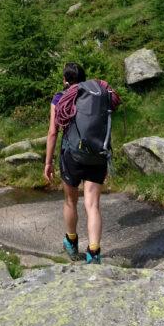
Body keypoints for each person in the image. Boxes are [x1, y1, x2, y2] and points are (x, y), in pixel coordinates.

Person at [43, 61, 121, 264]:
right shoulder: (97, 95)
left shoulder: (60, 97)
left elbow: (53, 132)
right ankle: (94, 252)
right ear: (84, 78)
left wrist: (48, 162)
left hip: (72, 156)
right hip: (98, 153)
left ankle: (71, 241)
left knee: (71, 201)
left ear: (64, 80)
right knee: (92, 205)